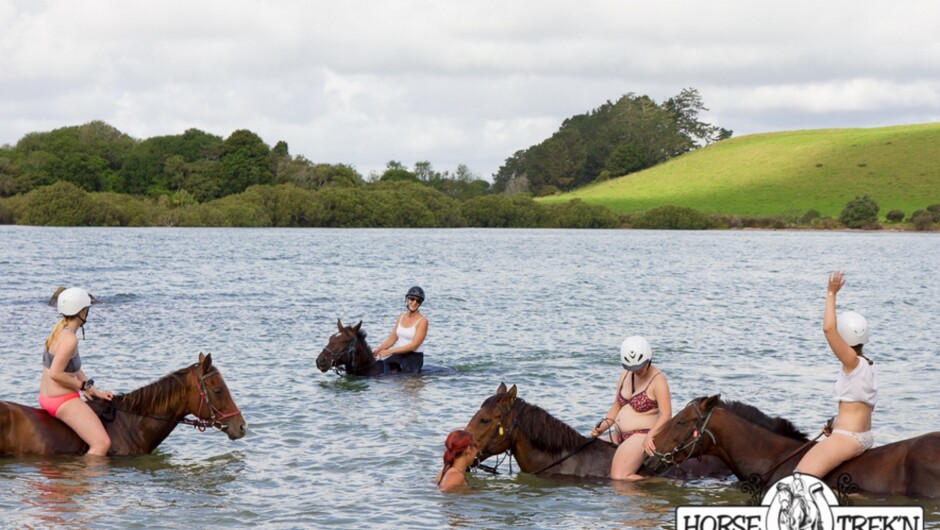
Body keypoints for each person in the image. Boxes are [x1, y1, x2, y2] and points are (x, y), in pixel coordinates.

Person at [795, 271, 877, 478]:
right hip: (862, 435)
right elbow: (859, 406)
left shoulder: (852, 362)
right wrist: (834, 426)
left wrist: (831, 293)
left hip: (849, 438)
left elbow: (828, 329)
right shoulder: (868, 365)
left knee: (797, 480)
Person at [39, 287, 114, 456]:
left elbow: (75, 368)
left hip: (46, 397)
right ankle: (81, 480)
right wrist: (80, 386)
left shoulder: (60, 330)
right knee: (102, 444)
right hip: (61, 400)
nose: (88, 313)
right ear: (81, 311)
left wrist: (95, 391)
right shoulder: (70, 340)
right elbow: (56, 374)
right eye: (87, 309)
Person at [591, 335, 672, 480]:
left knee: (619, 476)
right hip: (618, 435)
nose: (637, 371)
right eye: (632, 368)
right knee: (587, 448)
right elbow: (616, 406)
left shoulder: (658, 380)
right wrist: (601, 428)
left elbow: (666, 416)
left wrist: (650, 436)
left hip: (642, 435)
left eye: (640, 367)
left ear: (648, 359)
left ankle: (659, 483)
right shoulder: (625, 375)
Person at [373, 286, 428, 361]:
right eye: (412, 299)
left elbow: (414, 346)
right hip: (398, 354)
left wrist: (390, 351)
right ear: (407, 299)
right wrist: (378, 349)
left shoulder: (422, 321)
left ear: (420, 304)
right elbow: (392, 338)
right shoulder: (401, 316)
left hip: (412, 358)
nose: (414, 302)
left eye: (418, 301)